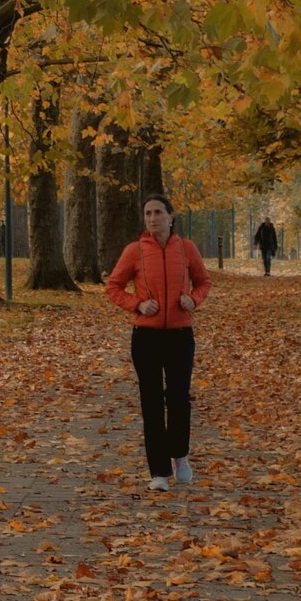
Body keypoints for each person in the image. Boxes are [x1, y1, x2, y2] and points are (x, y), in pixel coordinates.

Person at [106, 194, 211, 492]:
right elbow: (113, 286)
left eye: (158, 212)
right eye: (148, 213)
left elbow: (204, 282)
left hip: (180, 335)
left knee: (178, 399)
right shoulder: (135, 250)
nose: (152, 218)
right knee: (151, 401)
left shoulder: (187, 248)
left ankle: (180, 456)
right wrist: (137, 304)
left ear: (171, 216)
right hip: (146, 337)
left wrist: (193, 300)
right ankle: (159, 472)